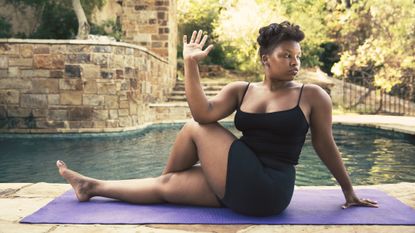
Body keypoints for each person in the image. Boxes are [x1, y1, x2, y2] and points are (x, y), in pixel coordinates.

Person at [56, 21, 378, 217]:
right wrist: (190, 64)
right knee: (173, 177)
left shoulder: (312, 96)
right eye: (286, 56)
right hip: (240, 178)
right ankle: (91, 186)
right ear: (266, 60)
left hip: (271, 187)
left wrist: (348, 191)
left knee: (195, 128)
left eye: (298, 57)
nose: (295, 62)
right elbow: (204, 109)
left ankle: (166, 180)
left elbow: (325, 144)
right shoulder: (241, 90)